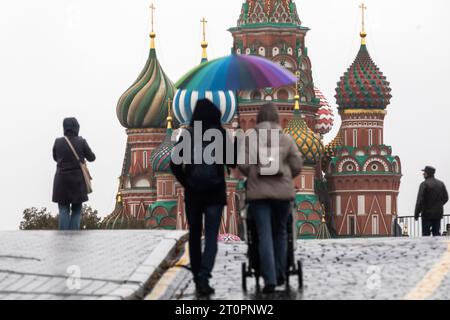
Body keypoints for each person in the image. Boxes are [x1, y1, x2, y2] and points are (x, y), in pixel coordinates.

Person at [170, 99, 236, 296]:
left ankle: (197, 275)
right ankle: (205, 275)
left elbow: (174, 164)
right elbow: (232, 163)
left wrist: (186, 182)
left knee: (195, 237)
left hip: (194, 194)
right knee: (212, 237)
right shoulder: (220, 134)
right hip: (215, 193)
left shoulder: (188, 134)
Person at [238, 103, 302, 294]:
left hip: (258, 196)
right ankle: (281, 272)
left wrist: (254, 173)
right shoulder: (286, 138)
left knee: (263, 234)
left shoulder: (251, 138)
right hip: (282, 195)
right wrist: (287, 173)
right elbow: (297, 164)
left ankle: (270, 279)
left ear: (258, 119)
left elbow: (243, 164)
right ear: (276, 119)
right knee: (281, 232)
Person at [52, 118, 96, 230]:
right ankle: (74, 235)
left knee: (63, 209)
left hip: (61, 180)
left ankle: (63, 236)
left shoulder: (58, 142)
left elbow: (55, 158)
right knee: (76, 209)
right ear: (77, 127)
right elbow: (92, 158)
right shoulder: (81, 141)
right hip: (77, 182)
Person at [415, 166, 448, 236]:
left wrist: (416, 214)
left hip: (426, 214)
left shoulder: (424, 184)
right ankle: (436, 247)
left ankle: (427, 247)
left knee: (426, 234)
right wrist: (438, 205)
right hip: (438, 214)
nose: (423, 174)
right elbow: (446, 198)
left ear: (427, 173)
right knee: (436, 233)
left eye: (424, 172)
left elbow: (420, 200)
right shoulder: (441, 184)